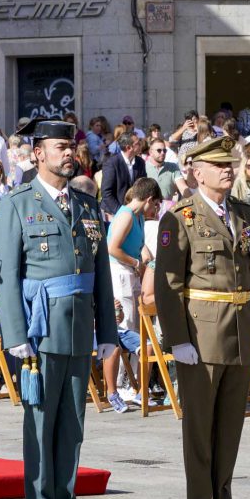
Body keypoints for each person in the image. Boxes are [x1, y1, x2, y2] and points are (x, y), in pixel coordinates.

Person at [0, 118, 118, 499]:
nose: (69, 153)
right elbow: (6, 275)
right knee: (41, 420)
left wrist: (108, 334)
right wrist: (15, 335)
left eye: (72, 146)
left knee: (73, 421)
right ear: (38, 153)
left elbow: (100, 273)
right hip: (40, 328)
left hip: (80, 327)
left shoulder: (85, 205)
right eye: (60, 146)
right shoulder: (17, 203)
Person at [154, 136, 250, 499]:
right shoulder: (181, 217)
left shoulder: (243, 211)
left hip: (238, 328)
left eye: (229, 164)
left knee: (231, 420)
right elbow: (167, 286)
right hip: (201, 332)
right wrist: (178, 338)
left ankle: (224, 496)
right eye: (218, 165)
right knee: (200, 422)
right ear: (196, 172)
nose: (227, 170)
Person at [105, 177, 162, 413]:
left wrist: (147, 260)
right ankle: (123, 383)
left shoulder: (138, 217)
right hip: (119, 273)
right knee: (126, 327)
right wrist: (136, 262)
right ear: (149, 199)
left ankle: (138, 384)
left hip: (130, 272)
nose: (156, 209)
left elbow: (140, 246)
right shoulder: (127, 214)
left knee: (137, 329)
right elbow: (113, 247)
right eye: (156, 204)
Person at [100, 133, 146, 218]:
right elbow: (106, 193)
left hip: (133, 213)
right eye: (137, 144)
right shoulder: (112, 163)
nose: (140, 145)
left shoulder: (140, 162)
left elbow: (142, 187)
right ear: (128, 148)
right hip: (112, 214)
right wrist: (121, 212)